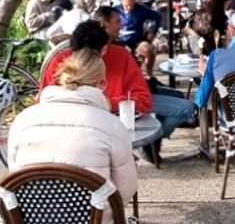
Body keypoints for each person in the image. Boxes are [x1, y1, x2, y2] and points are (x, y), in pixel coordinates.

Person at [13, 48, 158, 224]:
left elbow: (15, 177)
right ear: (102, 84)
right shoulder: (111, 125)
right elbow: (126, 190)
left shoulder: (23, 121)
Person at [40, 18, 195, 143]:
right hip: (72, 130)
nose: (85, 63)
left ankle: (151, 143)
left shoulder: (120, 56)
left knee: (185, 106)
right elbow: (44, 104)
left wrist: (108, 103)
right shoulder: (59, 61)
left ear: (104, 49)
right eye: (80, 58)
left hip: (116, 124)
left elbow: (143, 99)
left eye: (90, 58)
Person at [116, 0, 162, 77]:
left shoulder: (140, 9)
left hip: (137, 39)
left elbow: (157, 17)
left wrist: (152, 31)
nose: (129, 7)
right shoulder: (116, 10)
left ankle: (149, 74)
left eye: (131, 4)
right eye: (126, 5)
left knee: (148, 50)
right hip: (121, 40)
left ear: (134, 1)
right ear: (122, 2)